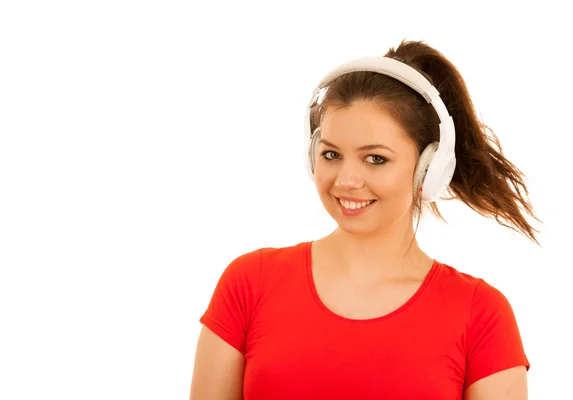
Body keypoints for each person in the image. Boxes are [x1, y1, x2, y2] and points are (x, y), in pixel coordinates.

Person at [189, 39, 540, 400]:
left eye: (375, 159)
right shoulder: (249, 284)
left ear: (428, 169)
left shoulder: (480, 314)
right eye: (331, 154)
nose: (345, 181)